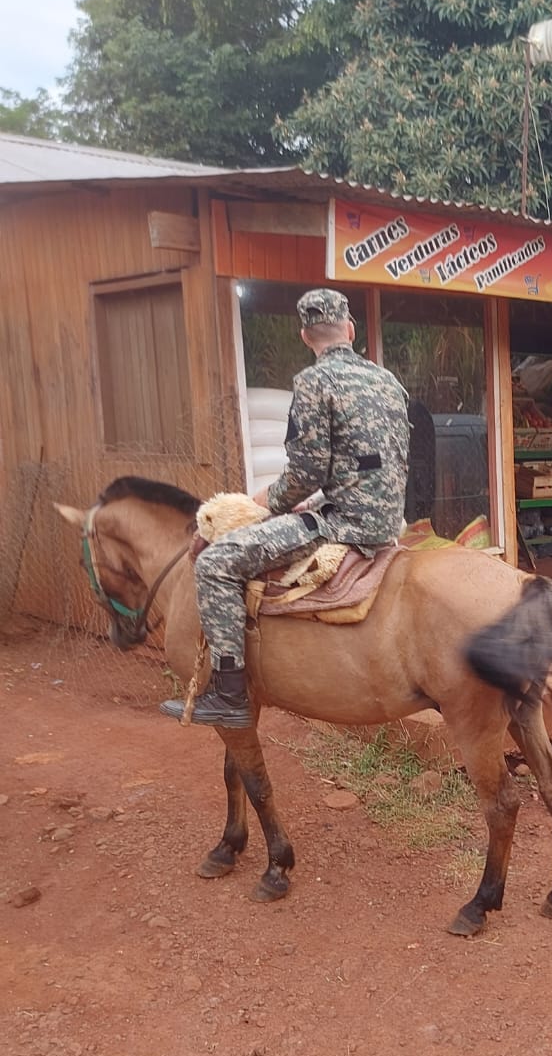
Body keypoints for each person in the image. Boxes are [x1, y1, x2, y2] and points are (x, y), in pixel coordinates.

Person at [161, 288, 410, 727]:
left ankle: (230, 693)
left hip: (342, 524)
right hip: (389, 518)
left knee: (215, 562)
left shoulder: (313, 382)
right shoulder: (388, 380)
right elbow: (376, 463)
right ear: (350, 330)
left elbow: (307, 472)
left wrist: (266, 503)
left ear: (304, 336)